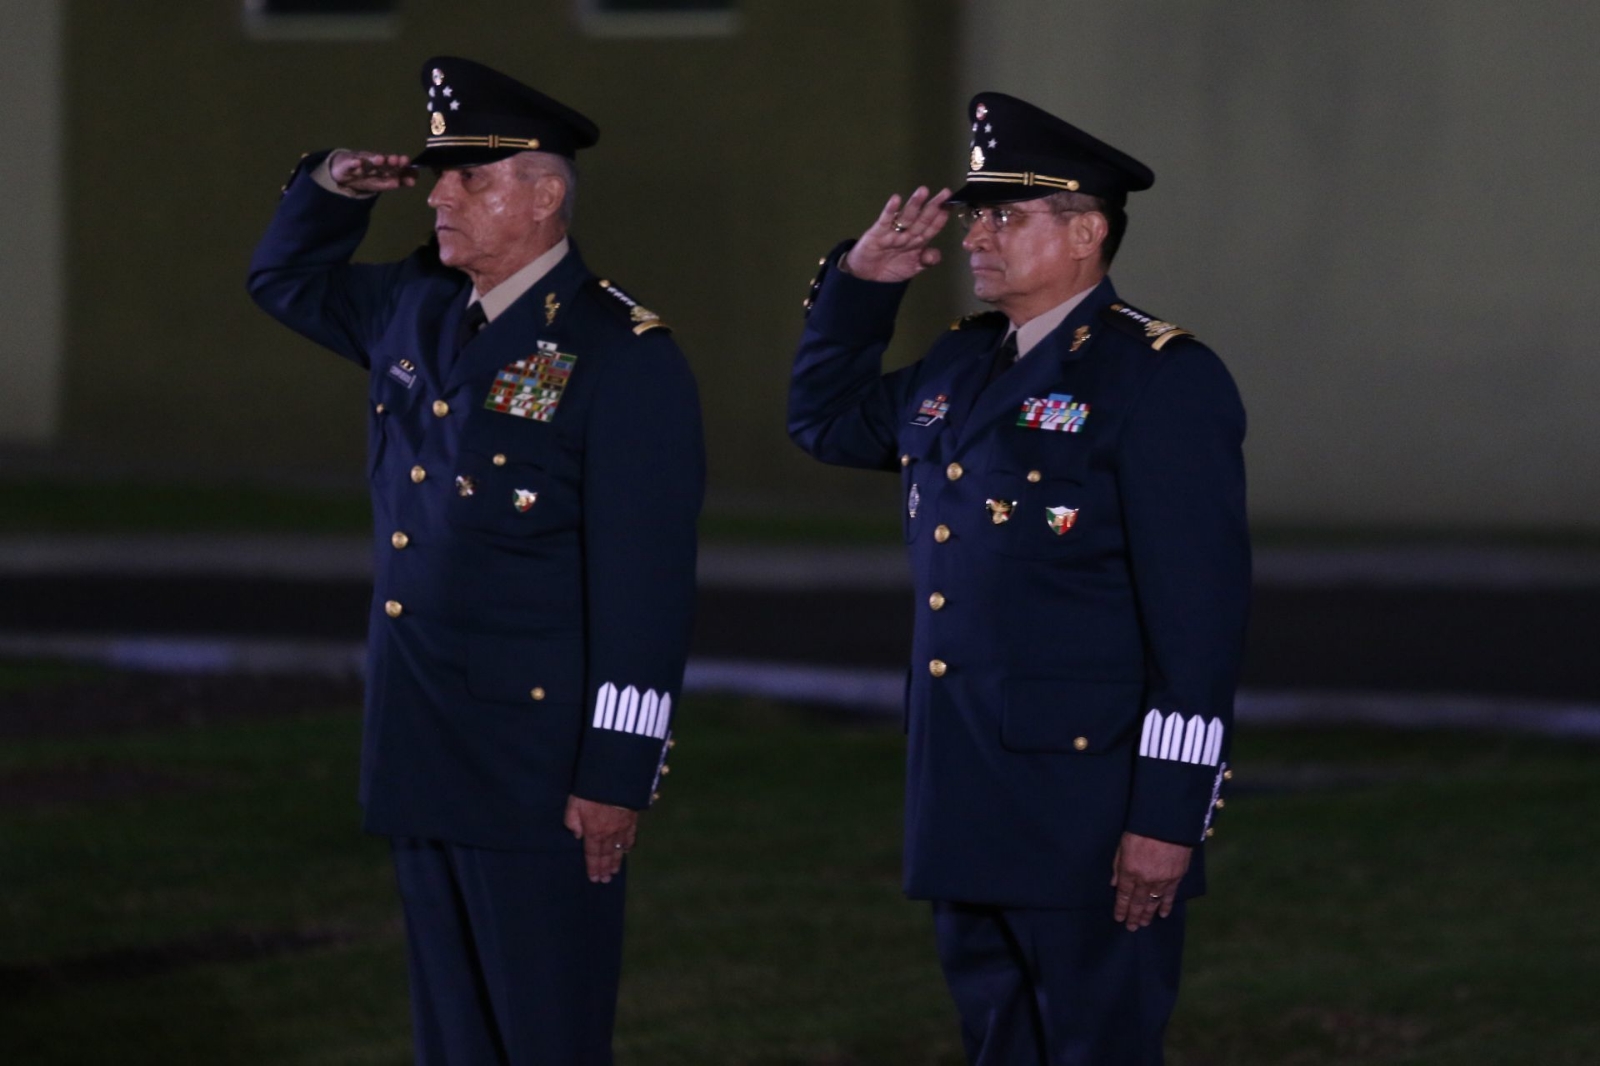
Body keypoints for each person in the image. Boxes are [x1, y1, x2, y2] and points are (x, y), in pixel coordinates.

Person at [248, 56, 703, 1066]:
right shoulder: (415, 304)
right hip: (421, 737)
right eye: (438, 174)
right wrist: (328, 186)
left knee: (543, 1031)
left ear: (543, 197)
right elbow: (281, 279)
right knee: (451, 1036)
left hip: (538, 766)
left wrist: (618, 770)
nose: (440, 194)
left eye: (472, 178)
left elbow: (647, 590)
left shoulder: (618, 352)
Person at [788, 91, 1250, 1064]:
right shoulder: (959, 362)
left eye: (1007, 217)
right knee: (998, 1040)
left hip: (1090, 810)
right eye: (975, 217)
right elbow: (826, 422)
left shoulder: (1159, 378)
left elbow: (1197, 628)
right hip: (965, 790)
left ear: (1085, 233)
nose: (977, 238)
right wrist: (861, 284)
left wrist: (1168, 816)